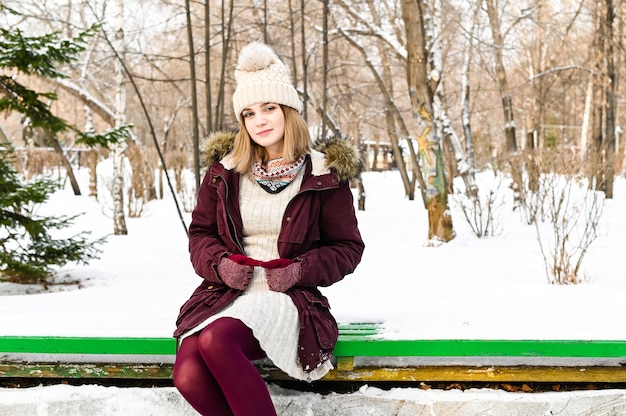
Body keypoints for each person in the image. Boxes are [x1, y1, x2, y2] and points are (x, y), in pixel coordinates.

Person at [172, 42, 365, 416]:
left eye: (269, 108)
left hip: (287, 299)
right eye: (248, 113)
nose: (259, 120)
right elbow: (200, 237)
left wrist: (299, 270)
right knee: (187, 375)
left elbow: (347, 247)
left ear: (287, 110)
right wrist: (221, 265)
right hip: (226, 294)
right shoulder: (224, 172)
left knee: (215, 341)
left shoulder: (324, 174)